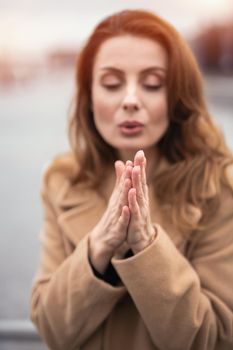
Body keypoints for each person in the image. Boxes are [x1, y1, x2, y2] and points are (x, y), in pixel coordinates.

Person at [30, 9, 233, 350]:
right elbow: (53, 331)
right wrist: (99, 246)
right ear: (89, 97)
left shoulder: (219, 186)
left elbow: (215, 338)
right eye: (111, 84)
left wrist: (146, 245)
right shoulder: (62, 180)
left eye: (153, 84)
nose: (130, 100)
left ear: (176, 97)